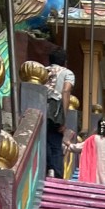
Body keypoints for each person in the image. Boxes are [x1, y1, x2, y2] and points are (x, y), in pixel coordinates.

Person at [46, 46, 75, 179]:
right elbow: (66, 91)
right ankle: (56, 173)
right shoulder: (67, 73)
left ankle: (49, 167)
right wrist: (64, 117)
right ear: (65, 62)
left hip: (40, 106)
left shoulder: (43, 71)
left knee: (44, 139)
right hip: (55, 108)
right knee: (56, 141)